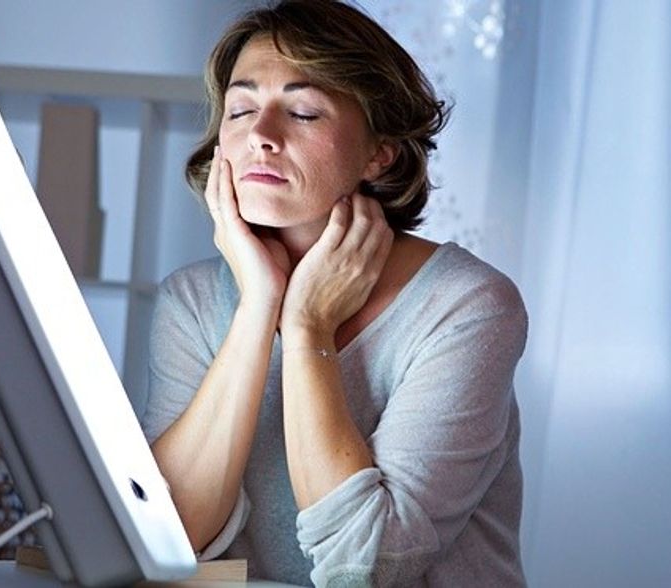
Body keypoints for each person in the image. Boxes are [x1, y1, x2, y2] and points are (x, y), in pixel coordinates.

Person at [141, 1, 528, 586]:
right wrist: (258, 309)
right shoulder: (190, 302)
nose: (261, 136)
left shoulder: (467, 306)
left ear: (380, 152)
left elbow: (367, 567)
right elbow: (167, 536)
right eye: (241, 109)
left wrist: (307, 330)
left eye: (302, 112)